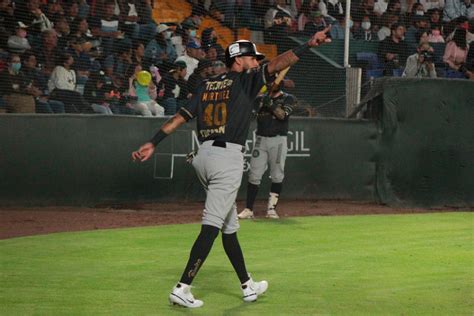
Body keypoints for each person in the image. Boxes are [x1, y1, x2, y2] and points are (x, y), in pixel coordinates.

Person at [131, 28, 331, 308]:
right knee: (211, 227)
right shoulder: (246, 80)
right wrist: (308, 44)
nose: (256, 62)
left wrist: (153, 142)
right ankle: (182, 286)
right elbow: (277, 65)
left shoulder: (206, 85)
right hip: (226, 159)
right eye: (252, 58)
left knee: (229, 227)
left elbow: (179, 118)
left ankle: (247, 286)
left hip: (203, 157)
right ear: (239, 60)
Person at [238, 81, 297, 220]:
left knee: (277, 174)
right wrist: (259, 103)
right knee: (254, 174)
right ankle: (248, 209)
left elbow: (282, 115)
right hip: (261, 138)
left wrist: (270, 104)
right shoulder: (259, 99)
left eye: (275, 82)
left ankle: (271, 210)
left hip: (278, 139)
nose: (272, 84)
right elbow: (251, 116)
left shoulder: (289, 98)